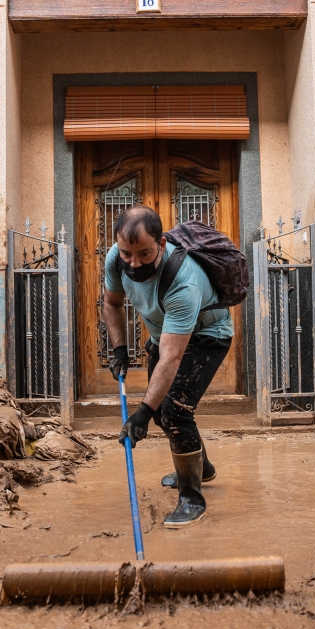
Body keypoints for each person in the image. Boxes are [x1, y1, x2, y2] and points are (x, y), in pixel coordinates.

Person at [103, 205, 233, 528]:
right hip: (165, 334)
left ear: (161, 245)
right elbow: (112, 302)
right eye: (127, 254)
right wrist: (119, 348)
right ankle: (201, 467)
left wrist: (142, 413)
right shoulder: (115, 260)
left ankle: (192, 498)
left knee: (173, 410)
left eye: (144, 254)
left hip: (207, 335)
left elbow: (172, 356)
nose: (134, 264)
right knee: (162, 409)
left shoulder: (182, 280)